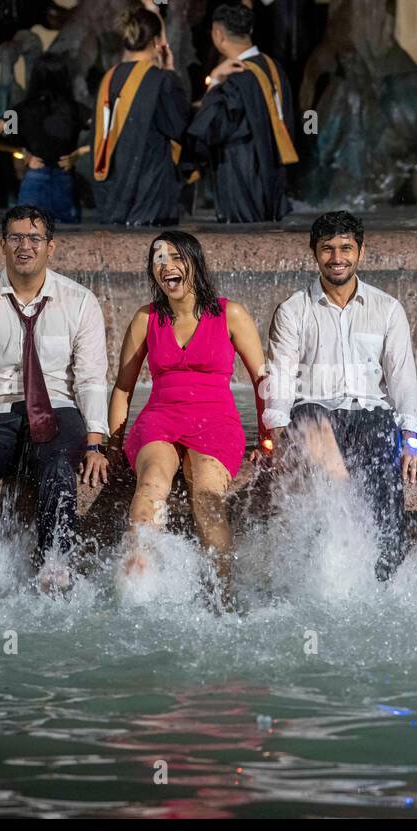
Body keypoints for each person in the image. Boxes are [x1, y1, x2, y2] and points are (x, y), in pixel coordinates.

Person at [0, 205, 110, 592]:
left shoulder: (78, 301)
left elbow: (92, 377)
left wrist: (96, 440)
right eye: (15, 238)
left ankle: (55, 570)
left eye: (34, 238)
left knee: (60, 468)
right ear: (2, 245)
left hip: (56, 409)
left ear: (51, 247)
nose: (24, 246)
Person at [263, 210, 417, 580]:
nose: (337, 258)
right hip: (315, 414)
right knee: (312, 417)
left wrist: (410, 439)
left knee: (385, 485)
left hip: (371, 414)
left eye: (346, 248)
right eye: (328, 249)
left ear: (361, 251)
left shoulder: (388, 309)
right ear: (314, 253)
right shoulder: (293, 310)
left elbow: (402, 378)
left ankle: (385, 576)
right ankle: (335, 542)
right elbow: (281, 380)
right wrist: (277, 435)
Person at [107, 232, 267, 597]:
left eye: (176, 257)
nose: (167, 266)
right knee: (151, 485)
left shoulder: (231, 313)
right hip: (160, 419)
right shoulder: (146, 318)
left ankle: (220, 595)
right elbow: (122, 388)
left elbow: (263, 381)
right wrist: (112, 446)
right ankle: (138, 592)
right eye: (159, 259)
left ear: (195, 262)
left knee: (207, 497)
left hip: (216, 422)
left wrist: (268, 437)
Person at [188, 4, 297, 223]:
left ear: (218, 35)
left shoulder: (236, 77)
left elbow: (210, 129)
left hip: (241, 175)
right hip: (274, 173)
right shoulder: (273, 67)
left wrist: (215, 80)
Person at [88, 6, 191, 226]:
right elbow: (178, 126)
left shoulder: (109, 77)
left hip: (111, 188)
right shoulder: (160, 80)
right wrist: (171, 71)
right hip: (149, 191)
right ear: (155, 41)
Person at [0, 53, 87, 223]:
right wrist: (79, 153)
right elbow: (105, 135)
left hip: (35, 177)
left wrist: (21, 152)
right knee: (69, 237)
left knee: (28, 237)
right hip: (64, 178)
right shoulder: (75, 109)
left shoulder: (21, 110)